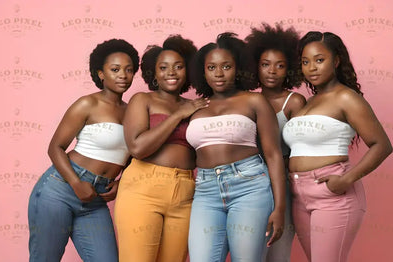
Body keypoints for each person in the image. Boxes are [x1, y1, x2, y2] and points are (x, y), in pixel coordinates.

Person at [283, 31, 393, 262]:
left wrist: (346, 179)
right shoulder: (308, 102)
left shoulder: (346, 98)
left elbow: (381, 145)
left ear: (336, 60)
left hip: (333, 193)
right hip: (299, 195)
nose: (312, 67)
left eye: (319, 60)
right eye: (305, 62)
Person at [28, 39, 140, 262]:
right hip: (60, 190)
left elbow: (135, 154)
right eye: (115, 69)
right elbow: (55, 147)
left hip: (96, 200)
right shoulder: (88, 104)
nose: (123, 75)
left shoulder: (134, 112)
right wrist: (76, 183)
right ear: (101, 73)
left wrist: (122, 181)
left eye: (129, 70)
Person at [186, 32, 286, 262]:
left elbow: (273, 154)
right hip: (205, 191)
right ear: (203, 71)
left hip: (249, 187)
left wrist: (279, 208)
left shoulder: (254, 101)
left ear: (238, 67)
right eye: (211, 67)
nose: (219, 74)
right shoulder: (195, 108)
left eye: (226, 66)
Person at [114, 35, 208, 262]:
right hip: (143, 189)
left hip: (185, 192)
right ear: (153, 74)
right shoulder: (142, 100)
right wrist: (177, 116)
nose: (171, 72)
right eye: (163, 67)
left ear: (188, 70)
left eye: (178, 66)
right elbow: (137, 147)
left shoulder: (195, 106)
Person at [245, 23, 306, 262]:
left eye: (280, 65)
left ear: (289, 69)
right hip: (250, 184)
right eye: (265, 64)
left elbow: (301, 148)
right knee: (251, 251)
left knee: (278, 252)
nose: (272, 71)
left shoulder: (295, 102)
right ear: (255, 67)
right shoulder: (247, 101)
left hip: (284, 184)